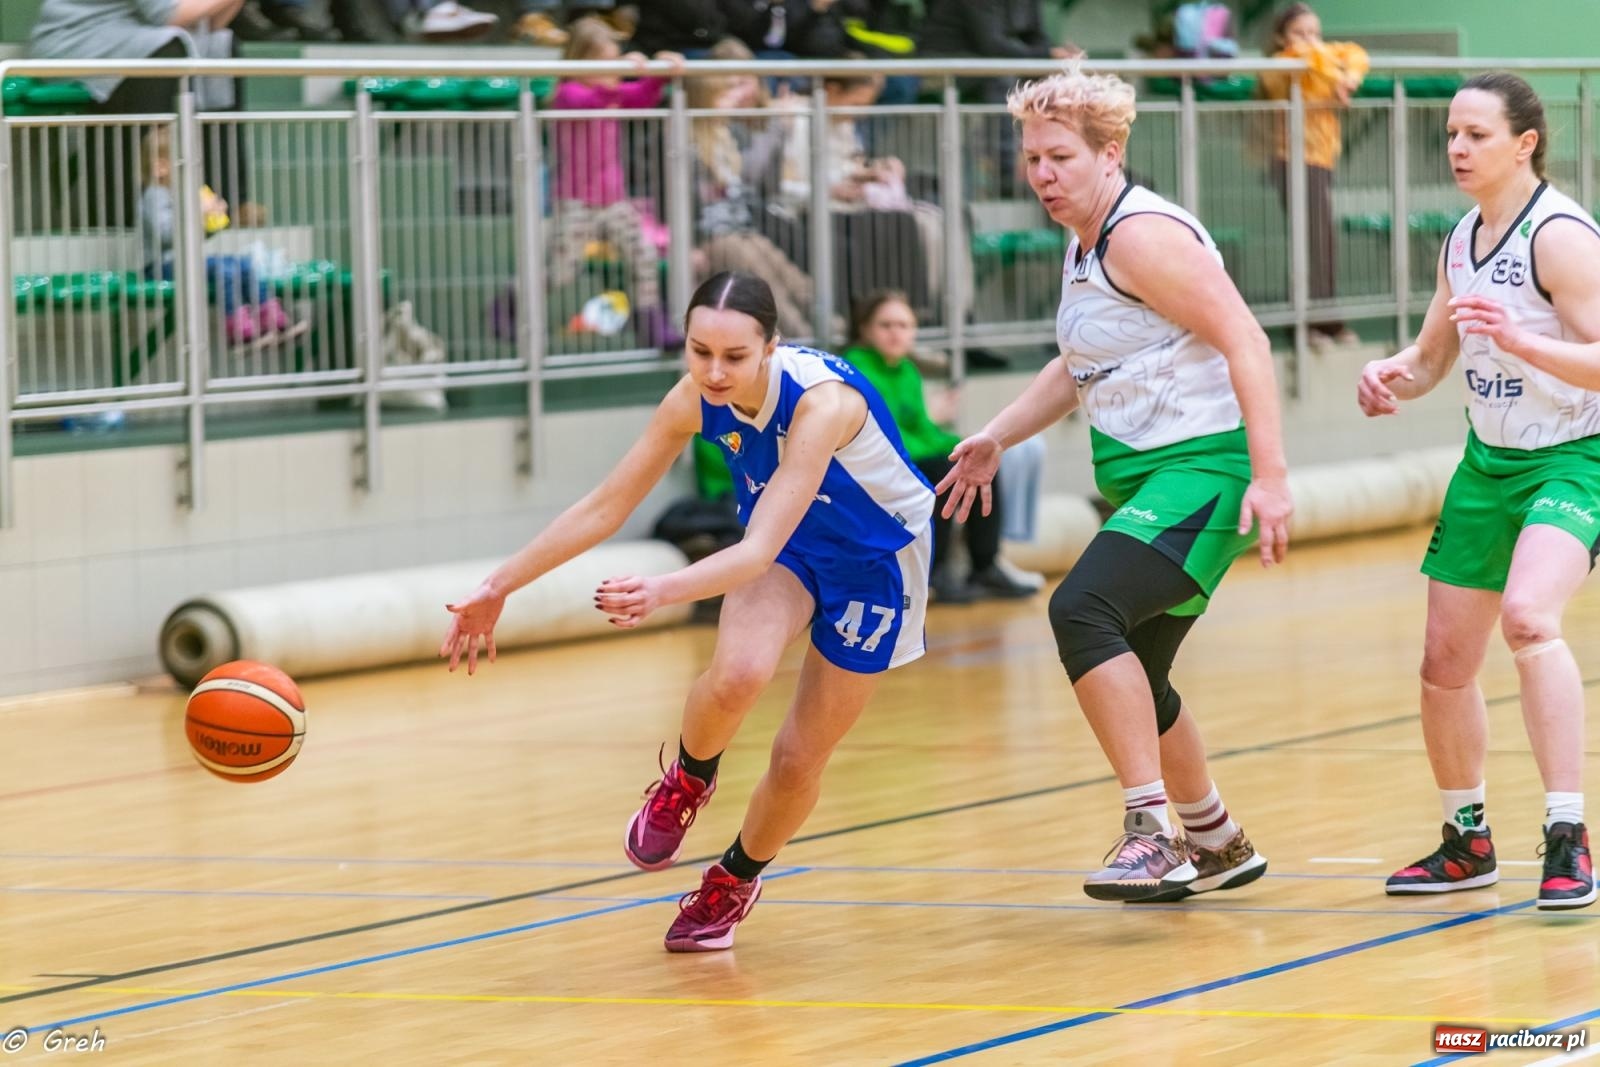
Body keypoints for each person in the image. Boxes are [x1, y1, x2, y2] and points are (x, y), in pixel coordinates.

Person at [442, 271, 936, 950]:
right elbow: (605, 507)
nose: (715, 372)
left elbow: (755, 550)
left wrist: (660, 590)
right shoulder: (693, 396)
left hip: (876, 564)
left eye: (735, 356)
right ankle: (688, 778)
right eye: (700, 351)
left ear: (771, 347)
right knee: (737, 674)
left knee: (798, 757)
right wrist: (500, 585)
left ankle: (734, 878)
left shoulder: (822, 405)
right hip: (790, 546)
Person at [937, 67, 1292, 902]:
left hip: (1202, 472)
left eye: (1060, 157)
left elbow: (1246, 339)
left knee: (1082, 609)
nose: (1042, 174)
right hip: (1158, 481)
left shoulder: (1139, 236)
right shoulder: (1086, 241)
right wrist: (996, 436)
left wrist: (1272, 476)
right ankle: (1216, 838)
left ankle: (1152, 831)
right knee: (1140, 670)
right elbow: (1078, 364)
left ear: (1110, 153)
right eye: (1032, 158)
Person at [1359, 72, 1599, 911]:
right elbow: (1433, 357)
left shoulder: (1560, 237)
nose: (1457, 149)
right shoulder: (1461, 238)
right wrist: (1391, 372)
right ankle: (1467, 839)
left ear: (1525, 143)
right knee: (1444, 664)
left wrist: (1526, 345)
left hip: (1573, 458)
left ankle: (1568, 833)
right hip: (1486, 462)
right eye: (1451, 135)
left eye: (1476, 135)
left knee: (1529, 618)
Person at [842, 290, 1035, 602]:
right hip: (872, 465)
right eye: (886, 325)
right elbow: (883, 433)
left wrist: (964, 446)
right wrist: (947, 454)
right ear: (865, 329)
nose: (896, 333)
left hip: (908, 457)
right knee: (943, 470)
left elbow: (924, 428)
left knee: (979, 460)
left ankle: (985, 565)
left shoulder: (907, 370)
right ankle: (936, 571)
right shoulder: (857, 367)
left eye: (904, 326)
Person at [1256, 3, 1369, 348]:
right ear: (1281, 37)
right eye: (1299, 33)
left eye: (1315, 33)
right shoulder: (1280, 65)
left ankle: (1324, 321)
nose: (1309, 41)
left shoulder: (1320, 60)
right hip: (1293, 159)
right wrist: (1336, 73)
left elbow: (1355, 54)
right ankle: (1308, 324)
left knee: (1322, 241)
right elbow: (1312, 62)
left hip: (1320, 160)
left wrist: (1349, 78)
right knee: (1311, 241)